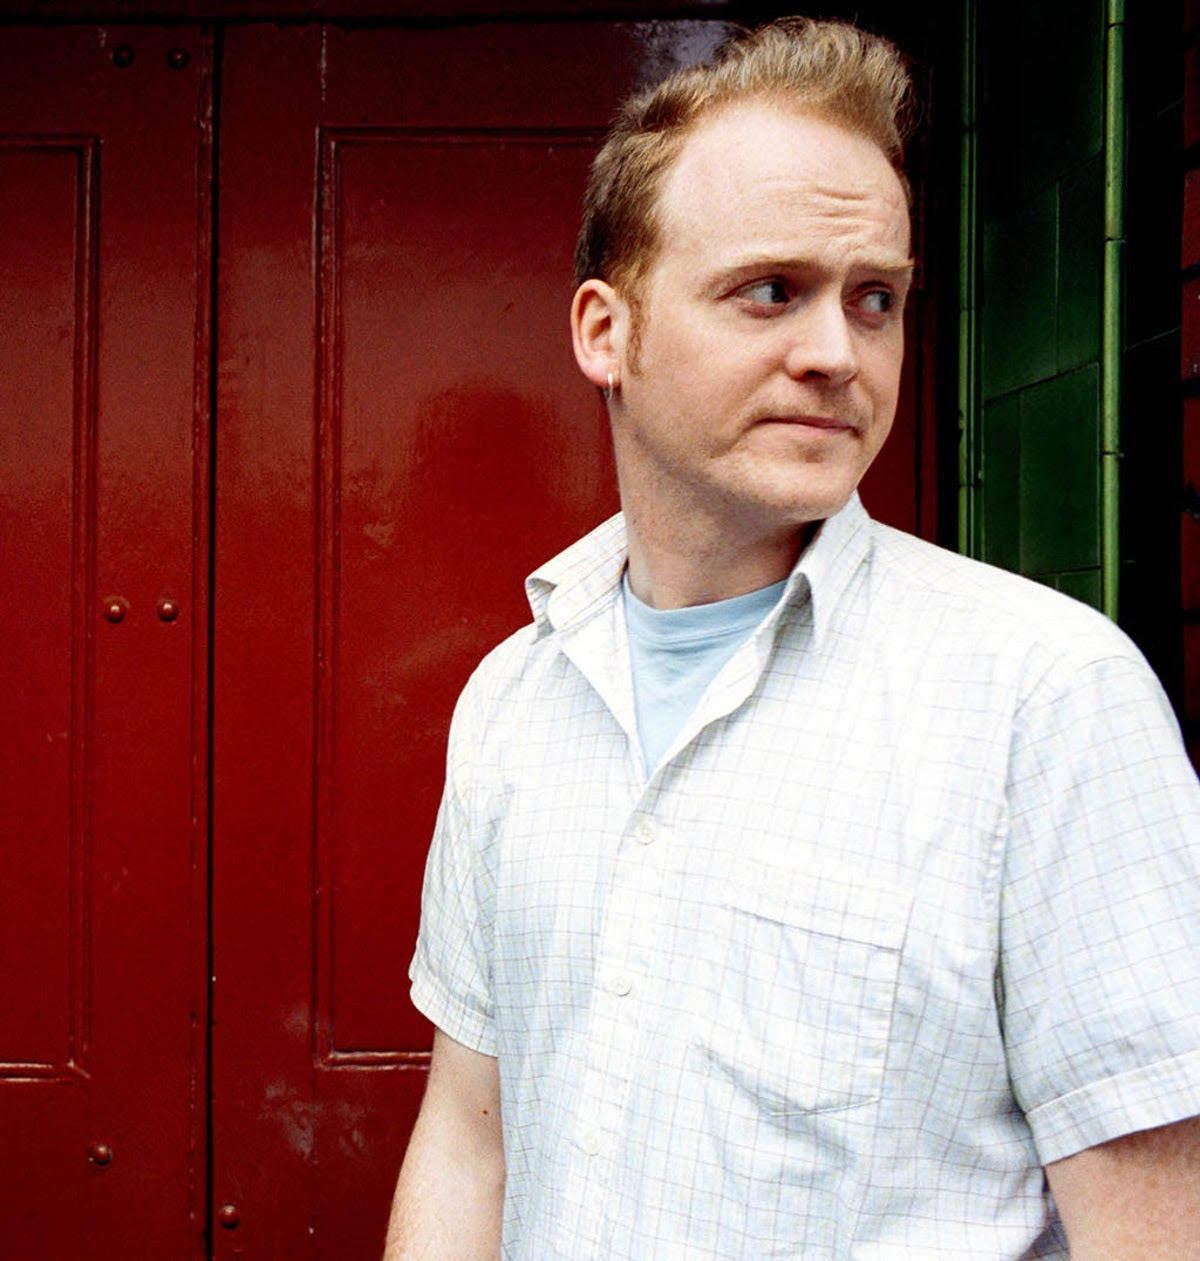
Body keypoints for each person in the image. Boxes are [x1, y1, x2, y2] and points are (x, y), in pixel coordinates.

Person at [384, 17, 1200, 1259]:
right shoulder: (516, 695)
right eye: (771, 292)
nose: (836, 355)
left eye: (876, 301)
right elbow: (468, 1140)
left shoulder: (1046, 699)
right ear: (606, 331)